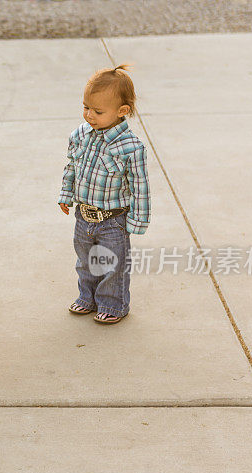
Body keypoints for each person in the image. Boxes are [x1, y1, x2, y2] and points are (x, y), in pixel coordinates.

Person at [57, 65, 150, 324]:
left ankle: (113, 304)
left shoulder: (131, 148)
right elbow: (72, 166)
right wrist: (66, 194)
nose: (89, 115)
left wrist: (137, 222)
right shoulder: (80, 135)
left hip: (112, 221)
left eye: (98, 111)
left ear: (122, 112)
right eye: (86, 107)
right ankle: (87, 298)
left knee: (111, 266)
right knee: (85, 262)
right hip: (83, 216)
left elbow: (140, 186)